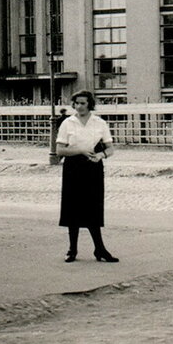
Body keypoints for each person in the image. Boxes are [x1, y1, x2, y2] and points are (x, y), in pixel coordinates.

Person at [55, 91, 118, 263]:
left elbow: (110, 149)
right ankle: (72, 249)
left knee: (93, 208)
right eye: (76, 103)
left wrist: (100, 156)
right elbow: (60, 150)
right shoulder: (68, 123)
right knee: (72, 207)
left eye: (83, 103)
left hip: (92, 167)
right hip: (72, 167)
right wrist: (80, 151)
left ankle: (100, 249)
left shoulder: (99, 123)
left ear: (90, 104)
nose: (80, 106)